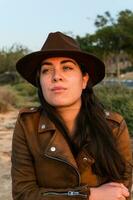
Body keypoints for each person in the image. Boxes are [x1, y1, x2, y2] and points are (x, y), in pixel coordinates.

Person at [11, 31, 132, 200]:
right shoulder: (28, 124)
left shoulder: (114, 125)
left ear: (84, 80)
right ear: (40, 82)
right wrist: (88, 195)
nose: (56, 77)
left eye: (67, 67)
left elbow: (120, 192)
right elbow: (23, 194)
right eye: (46, 70)